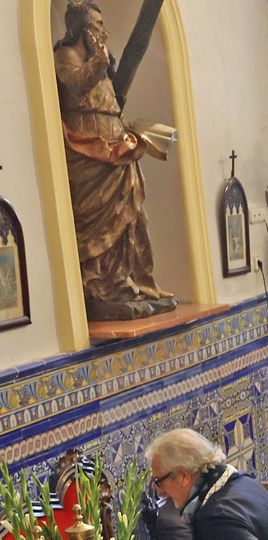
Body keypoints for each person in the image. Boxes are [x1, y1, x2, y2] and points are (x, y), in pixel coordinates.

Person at [54, 1, 175, 320]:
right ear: (80, 30)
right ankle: (100, 287)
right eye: (96, 25)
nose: (103, 31)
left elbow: (111, 98)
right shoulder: (66, 56)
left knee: (132, 213)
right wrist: (99, 60)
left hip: (116, 148)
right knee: (99, 223)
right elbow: (77, 87)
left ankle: (133, 281)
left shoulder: (104, 64)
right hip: (88, 152)